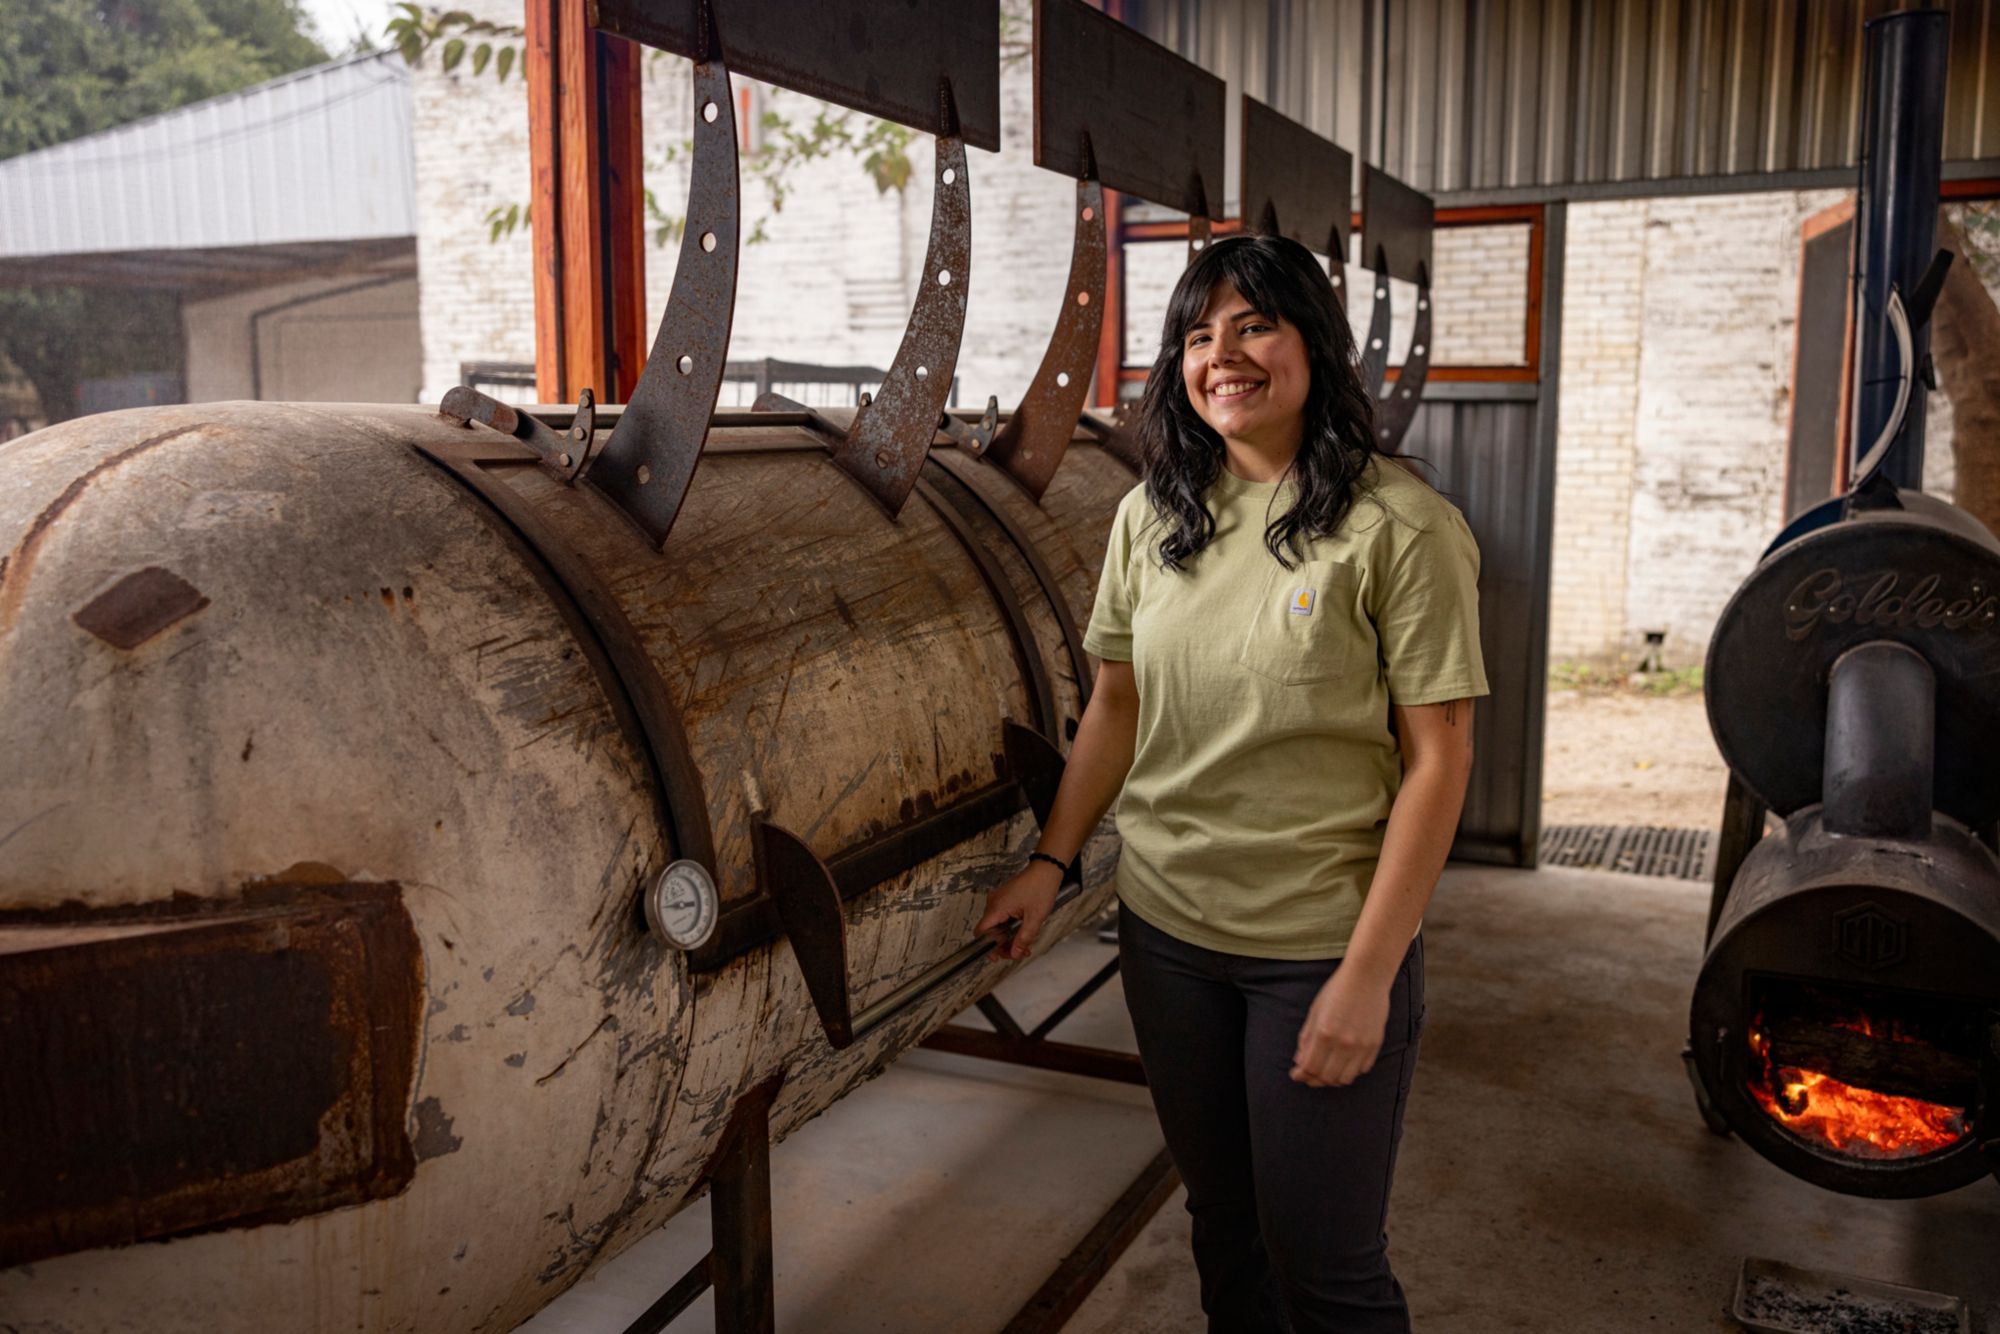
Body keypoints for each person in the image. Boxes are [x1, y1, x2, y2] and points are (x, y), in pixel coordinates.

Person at [978, 232, 1486, 1333]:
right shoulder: (1150, 516)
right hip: (1167, 937)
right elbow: (1114, 706)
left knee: (1325, 1267)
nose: (1224, 354)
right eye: (1198, 334)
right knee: (1224, 1228)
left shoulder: (1399, 524)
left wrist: (1367, 974)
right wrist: (1050, 862)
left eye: (1252, 322)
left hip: (1315, 945)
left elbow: (1439, 757)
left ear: (1310, 342)